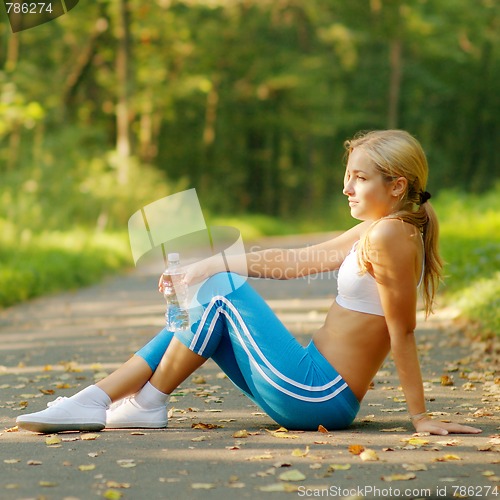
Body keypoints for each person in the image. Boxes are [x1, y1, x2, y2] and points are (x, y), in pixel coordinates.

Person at [16, 130, 481, 437]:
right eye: (347, 176)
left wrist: (421, 417)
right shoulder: (382, 227)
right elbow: (298, 260)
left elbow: (401, 331)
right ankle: (115, 401)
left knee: (219, 293)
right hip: (308, 380)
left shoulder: (390, 236)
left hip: (319, 396)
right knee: (210, 302)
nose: (347, 188)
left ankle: (121, 401)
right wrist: (205, 266)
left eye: (359, 179)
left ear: (397, 185)